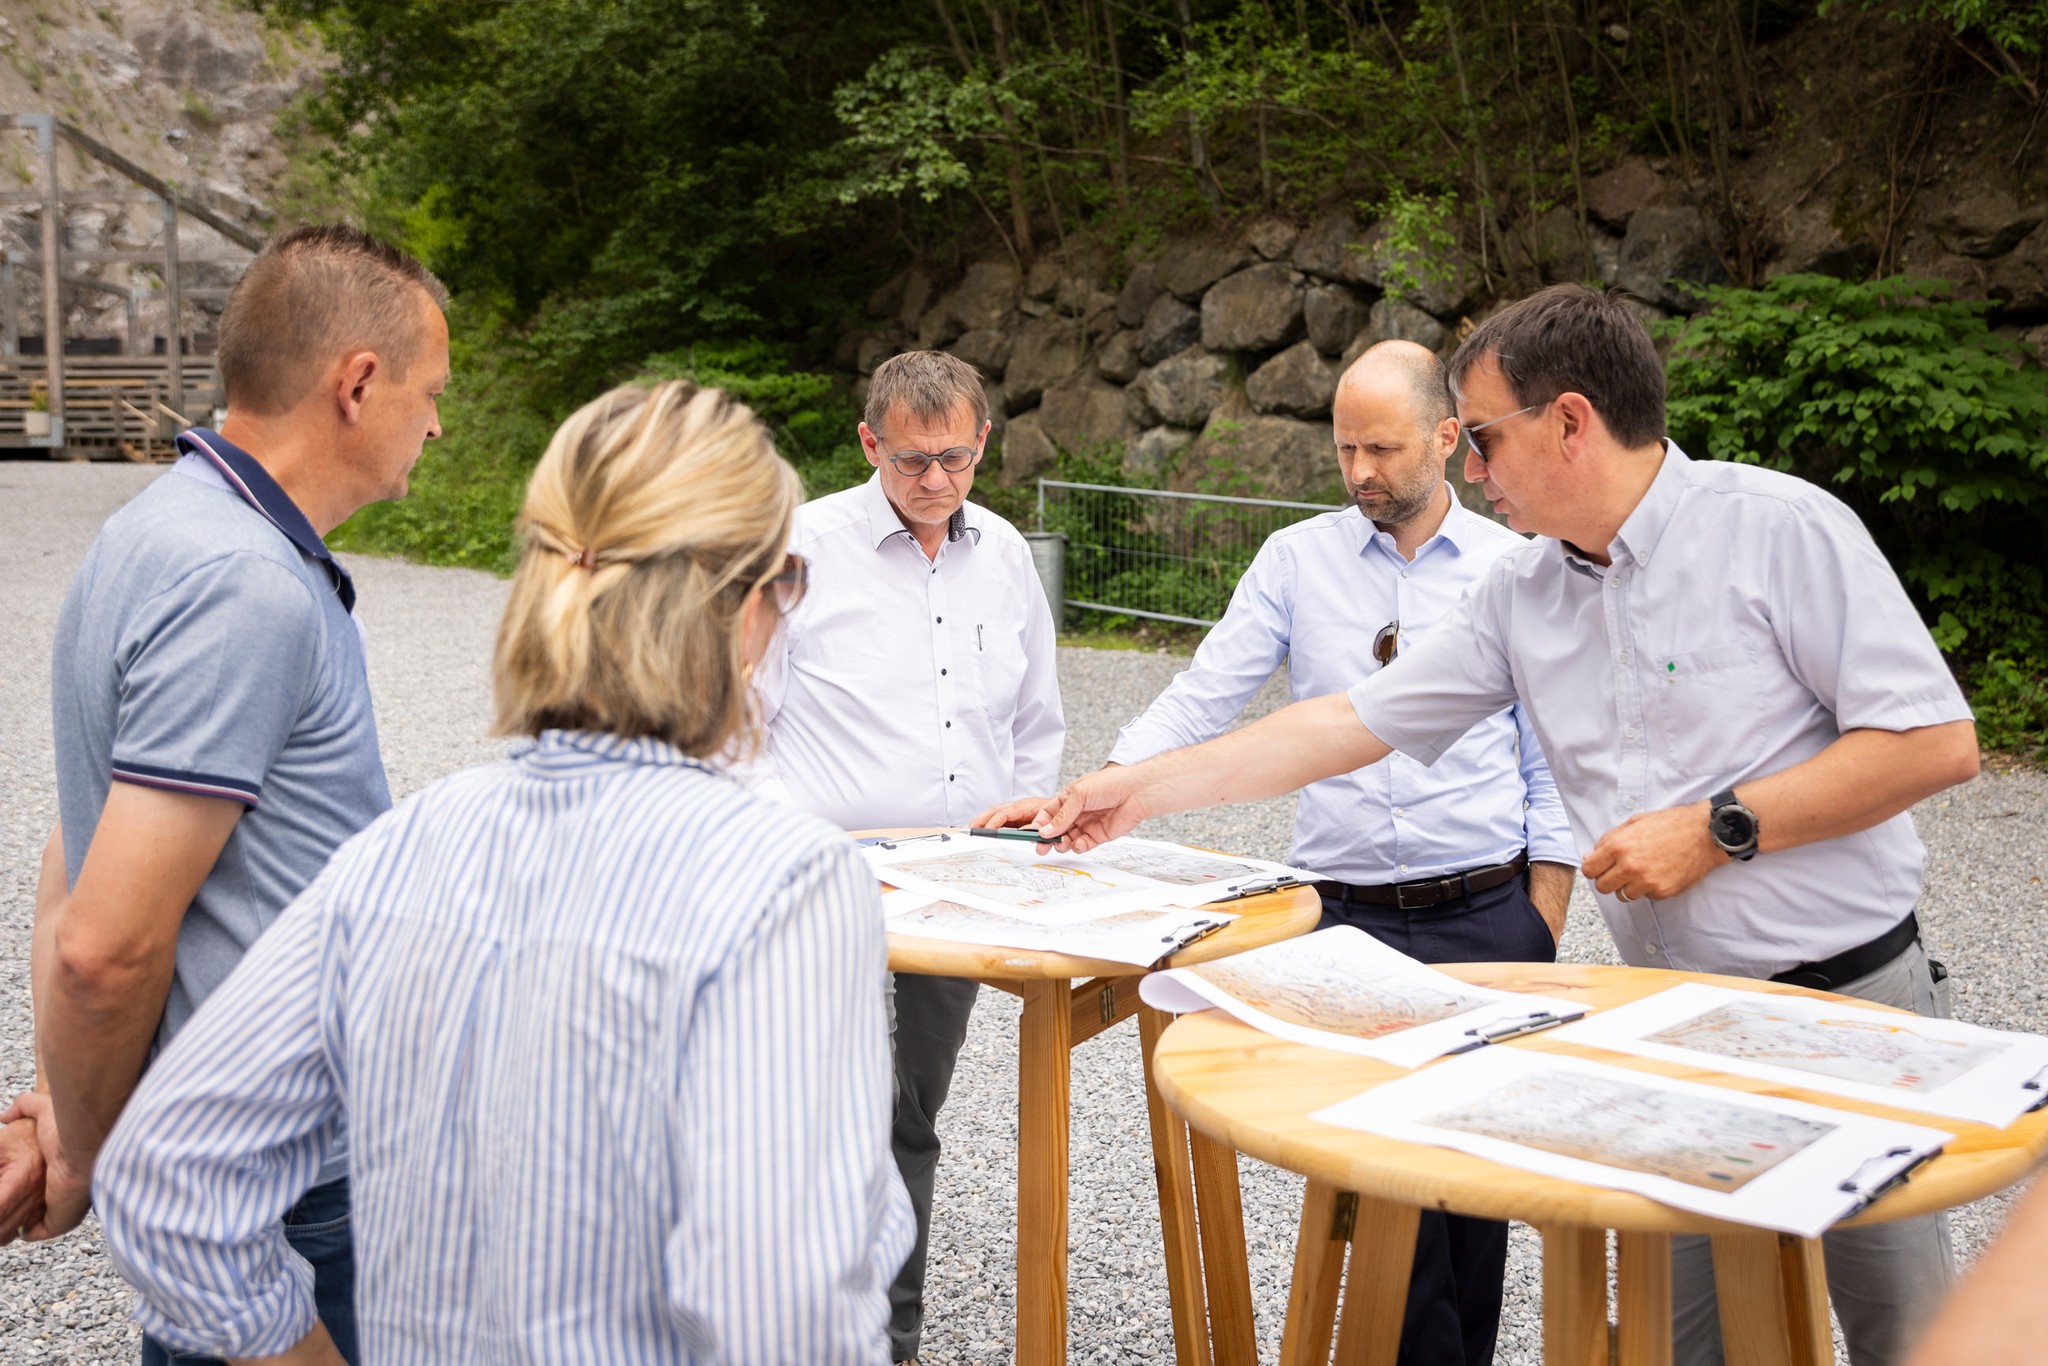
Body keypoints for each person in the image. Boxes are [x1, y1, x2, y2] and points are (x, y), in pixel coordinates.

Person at [1010, 284, 1981, 1366]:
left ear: (1568, 422)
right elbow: (1342, 725)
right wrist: (1133, 788)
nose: (1470, 470)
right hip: (1672, 1027)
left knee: (1912, 1339)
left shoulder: (1779, 528)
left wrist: (1717, 829)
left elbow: (1931, 743)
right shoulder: (1523, 592)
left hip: (1844, 1010)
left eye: (1481, 439)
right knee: (1684, 1351)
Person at [87, 380, 915, 1364]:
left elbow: (164, 1173)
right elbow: (782, 1313)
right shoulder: (788, 886)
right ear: (735, 603)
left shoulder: (401, 846)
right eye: (787, 581)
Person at [985, 339, 1574, 1366]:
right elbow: (1203, 696)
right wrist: (1101, 788)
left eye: (1381, 448)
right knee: (1377, 1177)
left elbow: (1554, 755)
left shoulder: (1515, 568)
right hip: (1337, 916)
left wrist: (1544, 910)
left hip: (1485, 910)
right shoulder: (1295, 561)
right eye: (1344, 447)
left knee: (1471, 1184)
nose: (1359, 473)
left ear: (1445, 436)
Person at [2, 224, 450, 1363]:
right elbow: (104, 947)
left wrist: (68, 1109)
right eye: (430, 391)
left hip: (239, 1152)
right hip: (279, 1174)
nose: (437, 422)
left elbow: (80, 834)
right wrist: (105, 1157)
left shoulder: (157, 528)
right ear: (357, 382)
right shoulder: (243, 584)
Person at [754, 349, 1063, 1365]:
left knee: (909, 1114)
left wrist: (1025, 838)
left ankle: (887, 1333)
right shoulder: (801, 546)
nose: (934, 481)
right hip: (822, 885)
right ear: (868, 443)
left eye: (955, 459)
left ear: (983, 442)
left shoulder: (1006, 552)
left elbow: (1033, 722)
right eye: (911, 459)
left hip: (961, 887)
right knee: (804, 1114)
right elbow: (737, 719)